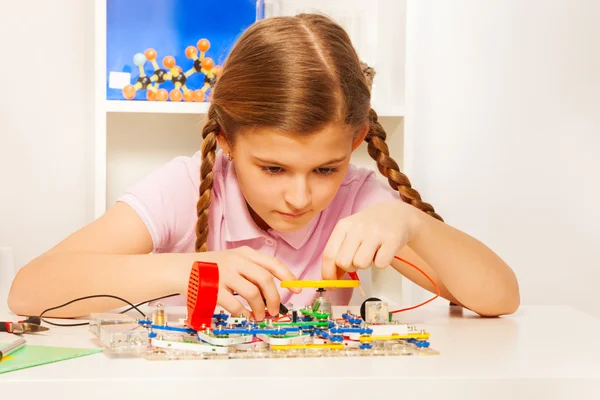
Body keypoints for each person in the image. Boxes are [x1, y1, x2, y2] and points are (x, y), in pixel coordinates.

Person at [8, 14, 519, 320]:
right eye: (273, 169)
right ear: (226, 140)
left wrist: (413, 224)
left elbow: (501, 298)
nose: (300, 197)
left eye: (325, 169)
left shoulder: (362, 202)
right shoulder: (183, 187)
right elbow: (30, 290)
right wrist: (195, 267)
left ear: (358, 141)